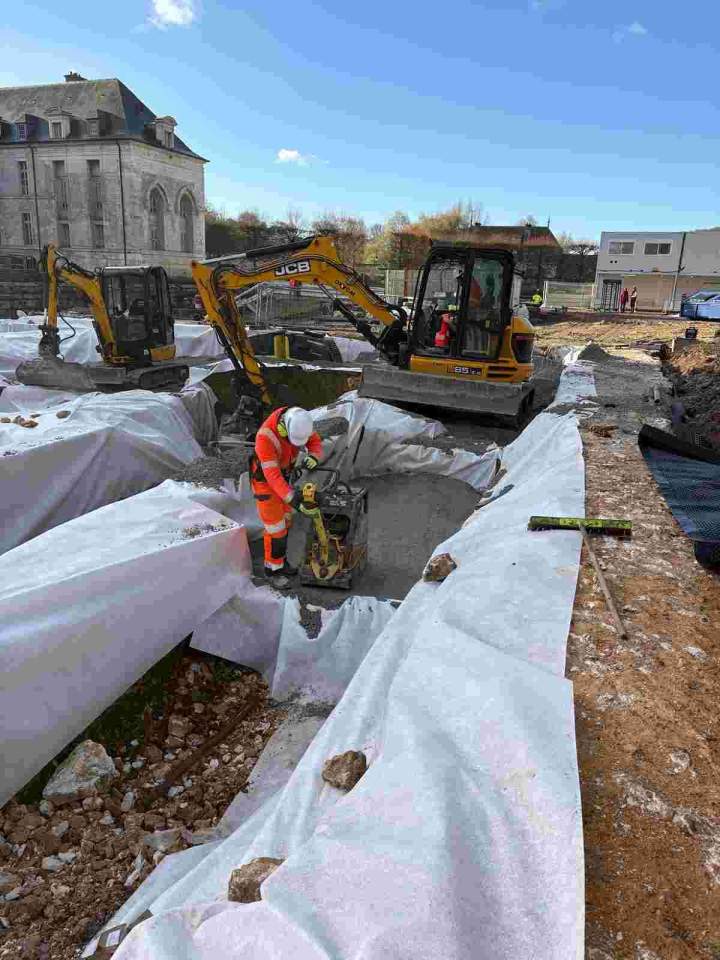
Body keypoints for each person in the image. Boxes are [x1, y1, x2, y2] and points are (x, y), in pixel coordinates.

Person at [251, 406, 323, 585]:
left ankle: (281, 563)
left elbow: (314, 441)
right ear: (284, 426)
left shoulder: (300, 422)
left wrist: (314, 455)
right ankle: (273, 571)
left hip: (284, 479)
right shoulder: (264, 437)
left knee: (286, 522)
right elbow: (272, 477)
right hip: (266, 485)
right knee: (276, 530)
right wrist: (294, 499)